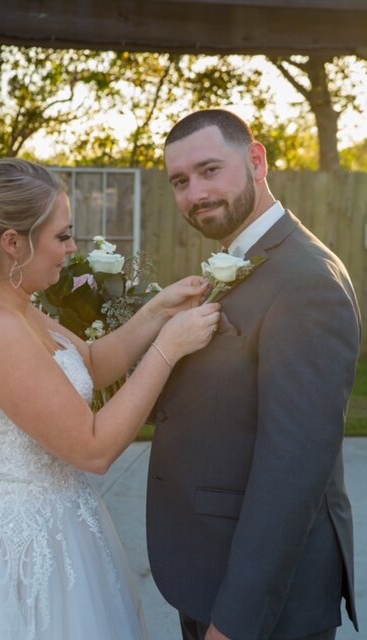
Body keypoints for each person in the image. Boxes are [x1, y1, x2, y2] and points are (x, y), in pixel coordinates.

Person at [0, 158, 220, 640]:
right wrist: (168, 348)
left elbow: (88, 363)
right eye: (62, 236)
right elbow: (92, 448)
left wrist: (157, 311)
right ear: (13, 243)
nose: (72, 248)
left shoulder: (19, 307)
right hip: (12, 553)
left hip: (59, 524)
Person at [146, 109, 361, 640]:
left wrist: (234, 624)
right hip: (210, 570)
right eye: (180, 181)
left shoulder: (306, 281)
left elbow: (291, 473)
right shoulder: (245, 259)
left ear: (257, 161)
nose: (196, 193)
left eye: (210, 170)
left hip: (259, 607)